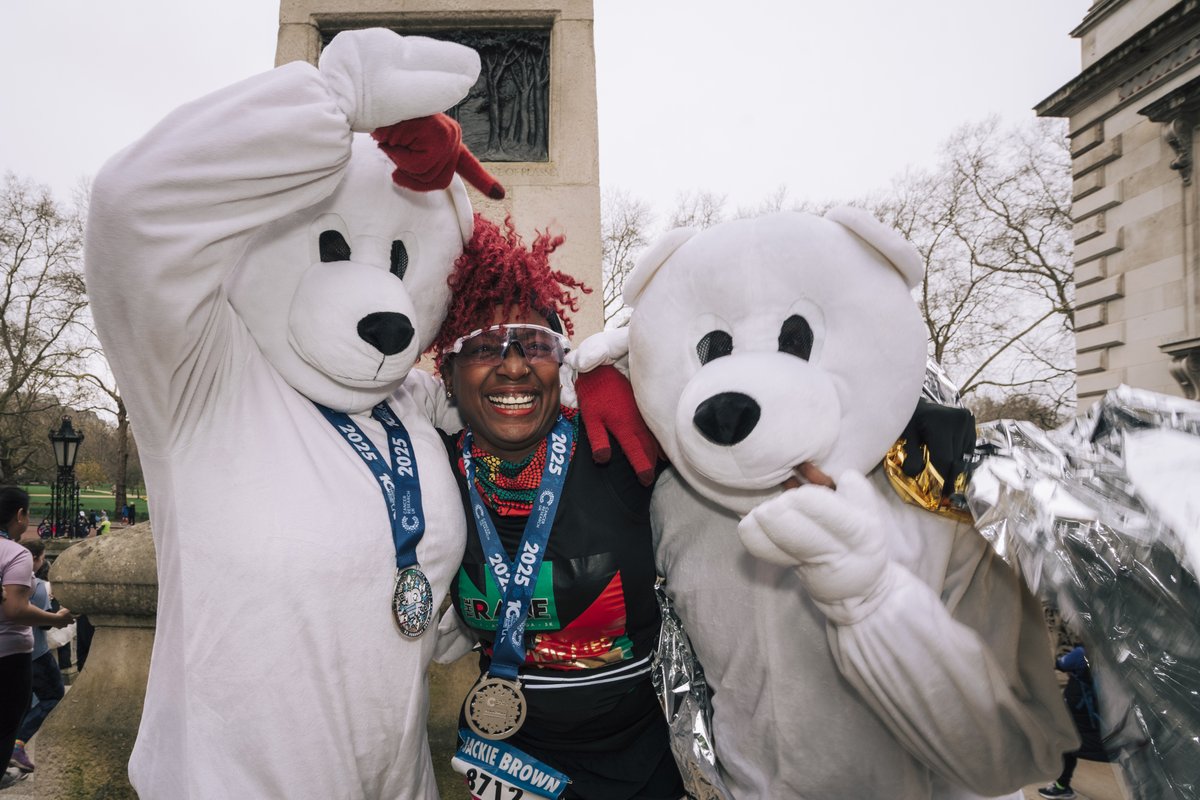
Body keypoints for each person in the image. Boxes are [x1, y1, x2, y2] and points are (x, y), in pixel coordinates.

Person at [430, 215, 684, 799]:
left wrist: (621, 377)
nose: (514, 365)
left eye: (537, 344)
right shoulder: (433, 472)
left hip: (643, 766)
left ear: (562, 365)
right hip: (508, 764)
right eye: (485, 346)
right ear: (448, 373)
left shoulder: (624, 452)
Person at [0, 488, 73, 787]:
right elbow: (16, 609)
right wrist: (56, 619)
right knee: (6, 727)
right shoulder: (15, 553)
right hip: (9, 655)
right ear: (20, 515)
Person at [9, 538, 67, 774]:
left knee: (18, 702)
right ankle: (18, 743)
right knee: (52, 697)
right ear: (35, 559)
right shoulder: (39, 585)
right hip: (36, 653)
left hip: (10, 649)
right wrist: (60, 615)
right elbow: (43, 624)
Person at [1039, 645, 1110, 799]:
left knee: (1067, 746)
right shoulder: (1118, 659)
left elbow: (1060, 664)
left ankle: (1061, 786)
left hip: (1084, 723)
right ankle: (1061, 786)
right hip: (1097, 722)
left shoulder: (1084, 654)